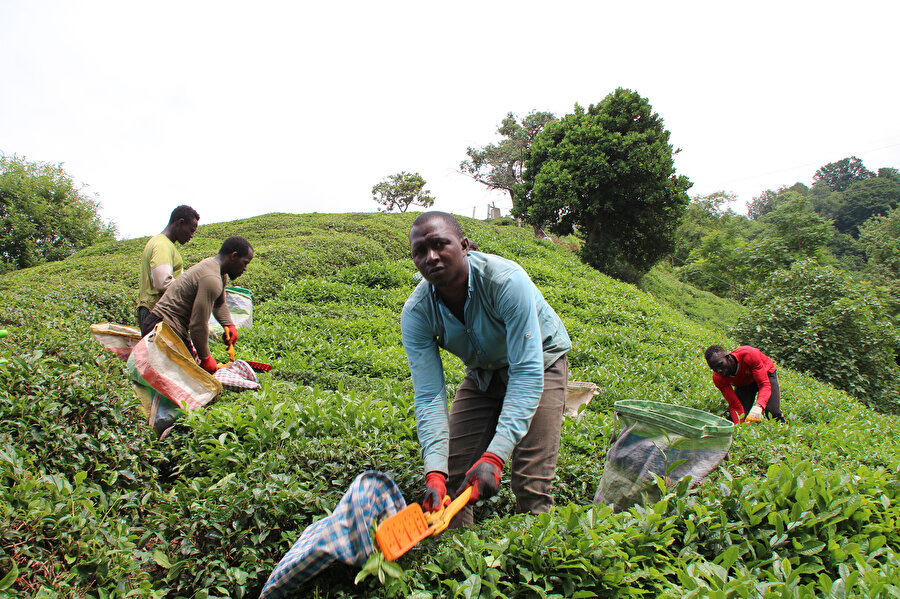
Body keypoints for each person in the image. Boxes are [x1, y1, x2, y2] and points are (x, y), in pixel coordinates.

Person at [401, 212, 571, 526]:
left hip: (540, 362)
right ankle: (458, 560)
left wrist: (494, 457)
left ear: (464, 246)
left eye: (440, 245)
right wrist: (434, 472)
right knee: (452, 475)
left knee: (530, 481)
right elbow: (428, 397)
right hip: (483, 372)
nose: (431, 257)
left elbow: (525, 370)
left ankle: (535, 558)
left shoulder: (505, 280)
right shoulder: (416, 312)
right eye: (420, 252)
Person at [142, 236, 253, 374]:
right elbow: (198, 325)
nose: (245, 268)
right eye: (245, 263)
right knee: (188, 379)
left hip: (171, 327)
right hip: (162, 328)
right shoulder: (211, 278)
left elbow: (219, 304)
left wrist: (228, 325)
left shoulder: (219, 272)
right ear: (234, 256)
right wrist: (205, 358)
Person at [137, 205, 200, 336]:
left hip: (155, 312)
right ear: (180, 223)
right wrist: (192, 290)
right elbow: (163, 282)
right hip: (156, 313)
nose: (192, 236)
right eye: (191, 230)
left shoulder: (162, 243)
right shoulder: (162, 245)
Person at [705, 344, 785, 423]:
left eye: (720, 364)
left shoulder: (749, 354)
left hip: (766, 374)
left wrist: (759, 406)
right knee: (741, 415)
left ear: (728, 357)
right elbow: (735, 405)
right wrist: (739, 428)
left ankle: (782, 428)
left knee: (772, 412)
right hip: (744, 383)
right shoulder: (718, 378)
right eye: (714, 368)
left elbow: (764, 385)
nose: (719, 370)